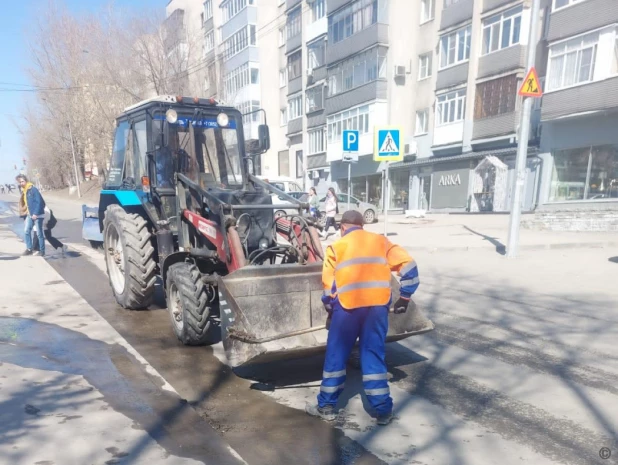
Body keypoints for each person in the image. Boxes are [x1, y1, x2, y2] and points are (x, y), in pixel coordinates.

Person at [305, 210, 420, 426]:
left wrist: (331, 308)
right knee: (373, 355)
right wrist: (404, 297)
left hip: (347, 309)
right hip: (377, 309)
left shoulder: (336, 247)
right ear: (361, 225)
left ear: (342, 227)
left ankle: (327, 406)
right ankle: (383, 411)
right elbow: (409, 267)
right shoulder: (380, 241)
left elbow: (329, 287)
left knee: (336, 356)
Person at [16, 174, 46, 256]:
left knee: (39, 233)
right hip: (30, 215)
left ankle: (42, 251)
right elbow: (27, 205)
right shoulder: (25, 191)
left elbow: (39, 202)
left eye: (22, 181)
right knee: (26, 231)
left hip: (37, 215)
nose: (21, 183)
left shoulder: (33, 189)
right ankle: (29, 249)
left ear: (26, 180)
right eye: (20, 182)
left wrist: (36, 213)